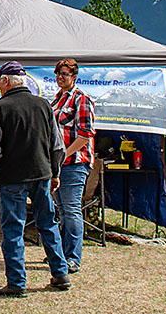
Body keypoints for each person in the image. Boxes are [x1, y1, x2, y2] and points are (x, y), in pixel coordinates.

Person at [0, 61, 70, 297]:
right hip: (42, 174)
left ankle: (17, 283)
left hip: (12, 178)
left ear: (6, 81)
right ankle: (60, 273)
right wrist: (55, 172)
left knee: (13, 229)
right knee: (48, 224)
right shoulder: (44, 106)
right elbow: (57, 146)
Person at [51, 58, 95, 274]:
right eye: (58, 73)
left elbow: (85, 135)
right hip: (58, 164)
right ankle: (60, 253)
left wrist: (63, 155)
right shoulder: (57, 98)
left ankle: (73, 257)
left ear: (74, 77)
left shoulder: (81, 99)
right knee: (61, 210)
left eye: (65, 74)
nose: (61, 77)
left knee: (71, 209)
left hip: (74, 163)